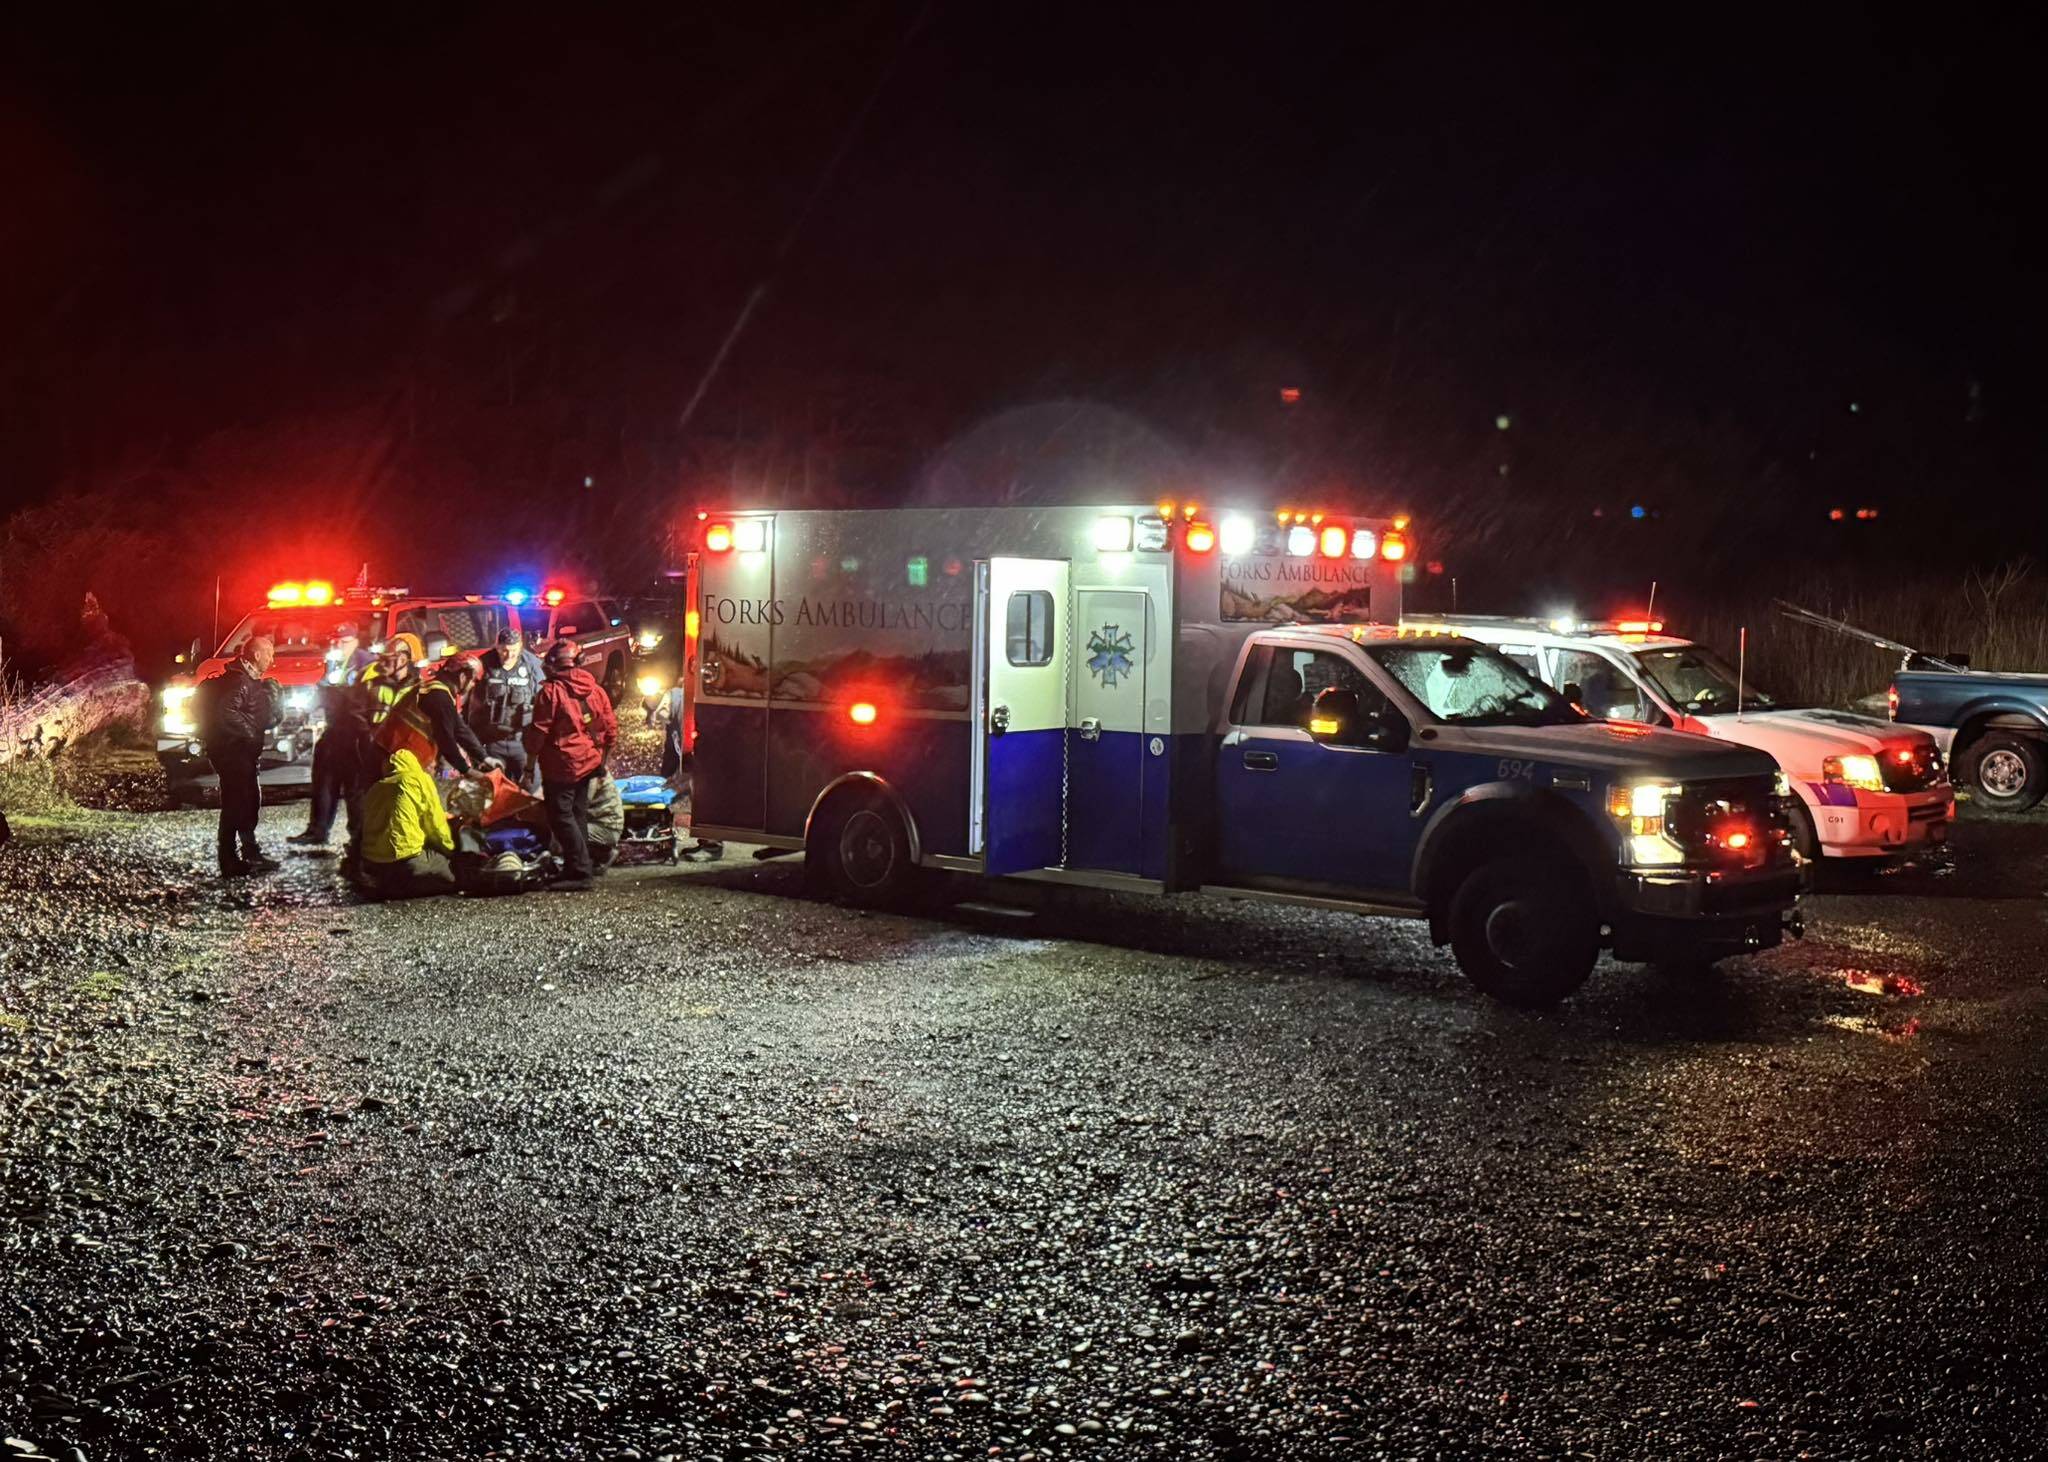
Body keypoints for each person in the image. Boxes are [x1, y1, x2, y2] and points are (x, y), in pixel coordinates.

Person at [525, 639, 617, 892]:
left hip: (562, 765)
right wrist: (602, 760)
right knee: (577, 814)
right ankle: (577, 865)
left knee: (561, 816)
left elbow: (538, 733)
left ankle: (580, 871)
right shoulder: (596, 690)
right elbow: (610, 729)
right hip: (588, 762)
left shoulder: (550, 692)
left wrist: (528, 764)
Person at [199, 632, 283, 877]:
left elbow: (254, 714)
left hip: (238, 751)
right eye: (269, 654)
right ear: (256, 655)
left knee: (247, 801)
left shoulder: (247, 678)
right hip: (232, 751)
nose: (272, 659)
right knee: (236, 803)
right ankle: (229, 858)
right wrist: (249, 733)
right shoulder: (240, 682)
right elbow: (227, 712)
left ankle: (248, 852)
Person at [290, 623, 376, 847]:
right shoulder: (332, 662)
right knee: (324, 782)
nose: (339, 645)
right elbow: (322, 691)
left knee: (355, 787)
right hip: (334, 730)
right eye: (336, 640)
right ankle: (317, 830)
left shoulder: (367, 663)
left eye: (344, 641)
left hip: (356, 733)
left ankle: (359, 836)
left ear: (356, 640)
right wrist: (305, 712)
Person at [357, 748, 458, 899]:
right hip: (407, 861)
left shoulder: (375, 788)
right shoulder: (418, 779)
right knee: (448, 871)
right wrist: (450, 850)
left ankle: (390, 886)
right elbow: (435, 824)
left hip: (374, 865)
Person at [375, 652, 490, 775]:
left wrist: (484, 757)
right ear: (463, 677)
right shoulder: (439, 697)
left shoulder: (436, 689)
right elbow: (445, 738)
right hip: (394, 760)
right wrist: (465, 770)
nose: (472, 685)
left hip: (394, 755)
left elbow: (460, 729)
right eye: (473, 681)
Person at [468, 627, 546, 787]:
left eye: (514, 650)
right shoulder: (484, 665)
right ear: (497, 646)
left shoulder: (533, 666)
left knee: (530, 789)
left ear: (520, 646)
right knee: (493, 792)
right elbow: (469, 706)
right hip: (492, 743)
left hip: (523, 744)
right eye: (504, 650)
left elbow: (544, 704)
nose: (509, 655)